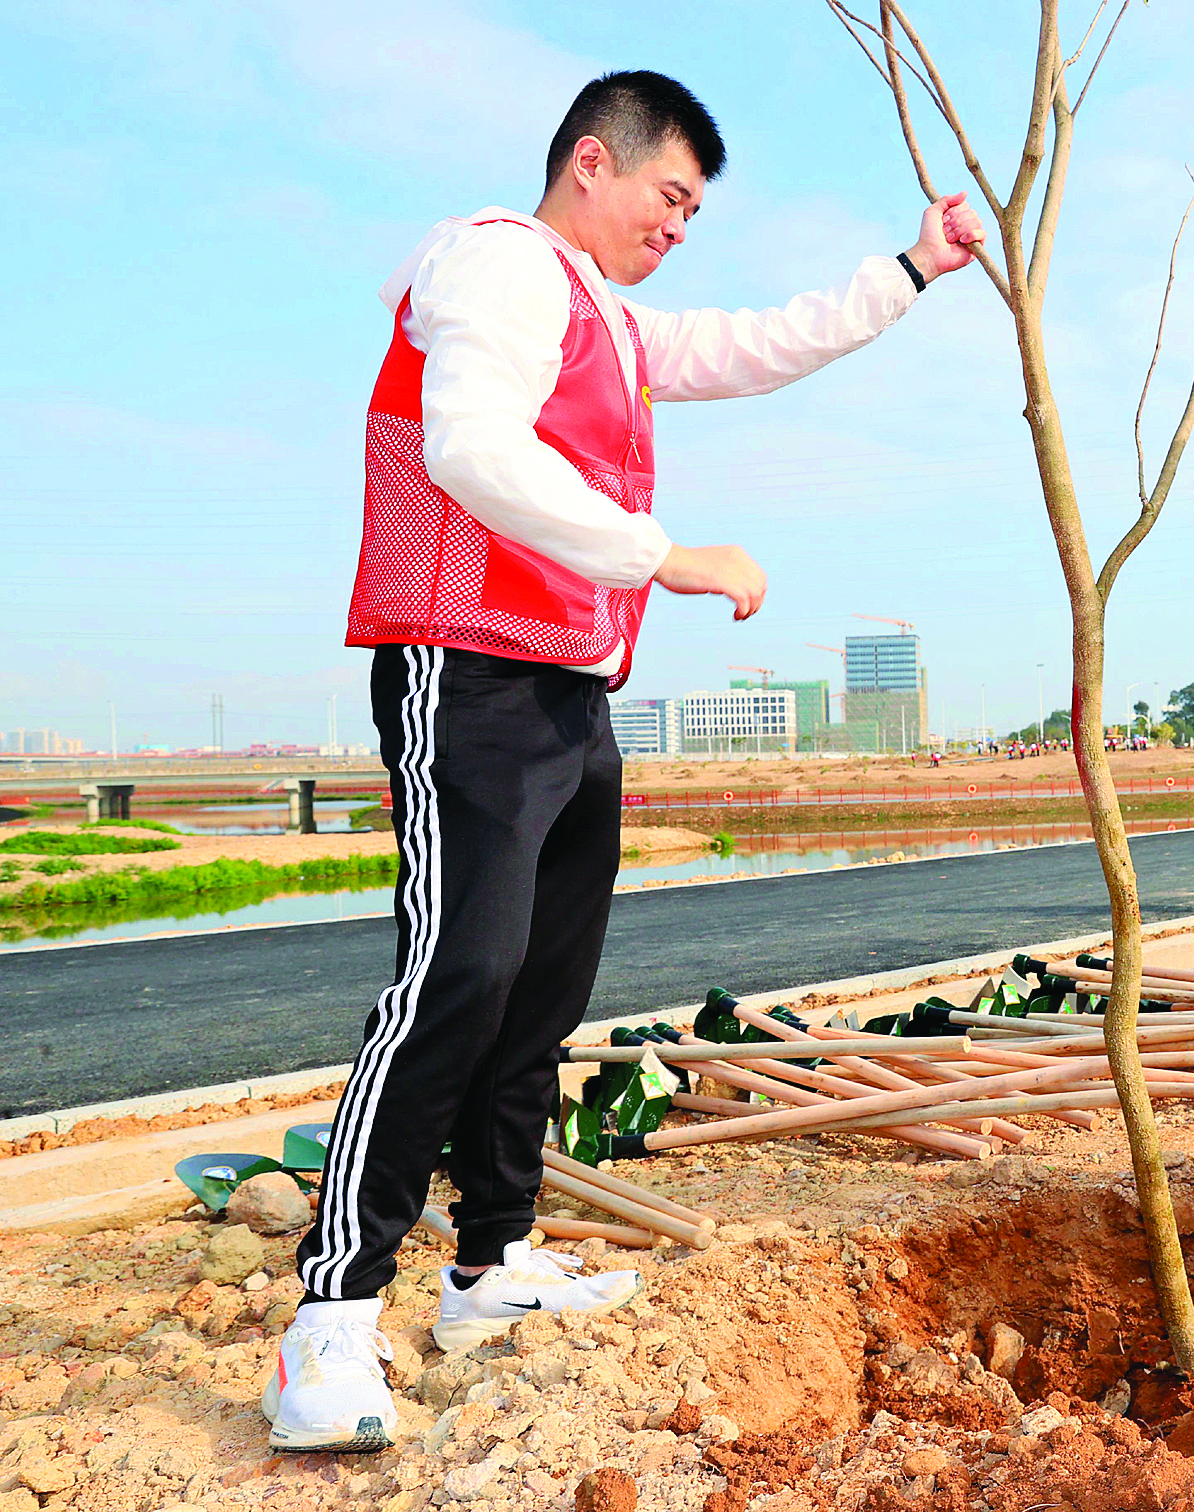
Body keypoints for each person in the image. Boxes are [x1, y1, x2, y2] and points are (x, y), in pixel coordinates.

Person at [274, 71, 986, 1455]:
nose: (680, 229)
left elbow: (752, 343)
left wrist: (908, 269)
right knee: (459, 971)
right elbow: (473, 447)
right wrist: (670, 556)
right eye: (671, 197)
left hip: (566, 689)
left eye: (696, 214)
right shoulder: (498, 266)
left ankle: (489, 1265)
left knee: (542, 983)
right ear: (591, 164)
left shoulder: (601, 308)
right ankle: (332, 1318)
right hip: (465, 672)